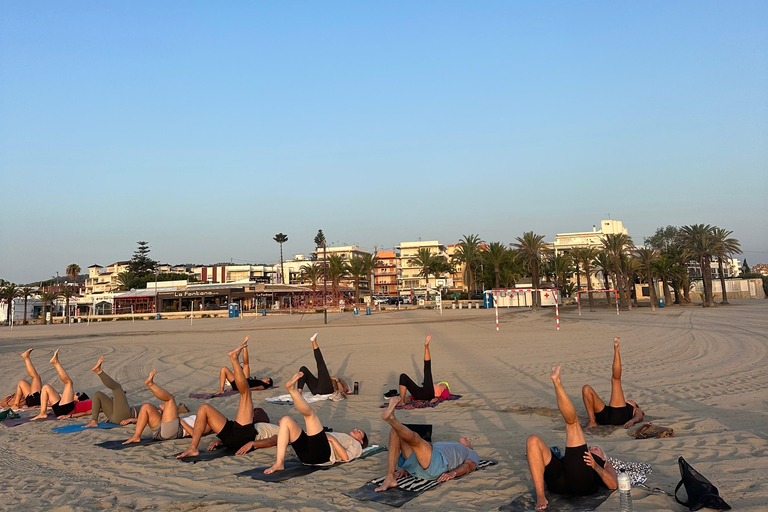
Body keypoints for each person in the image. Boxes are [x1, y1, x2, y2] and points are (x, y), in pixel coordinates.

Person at [526, 365, 618, 510]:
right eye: (592, 447)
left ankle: (557, 383)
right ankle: (540, 496)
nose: (592, 447)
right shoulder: (580, 454)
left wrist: (596, 466)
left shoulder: (605, 464)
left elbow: (613, 485)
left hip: (582, 483)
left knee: (573, 424)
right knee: (532, 440)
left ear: (603, 457)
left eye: (596, 449)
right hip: (560, 481)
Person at [264, 371, 368, 474]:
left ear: (362, 441)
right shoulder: (347, 438)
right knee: (286, 420)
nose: (356, 430)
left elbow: (346, 457)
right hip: (307, 455)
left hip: (321, 456)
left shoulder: (357, 445)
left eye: (359, 432)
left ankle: (292, 390)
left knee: (310, 416)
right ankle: (279, 462)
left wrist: (332, 439)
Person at [178, 341, 265, 458]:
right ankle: (193, 447)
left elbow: (274, 440)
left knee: (246, 394)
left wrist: (253, 443)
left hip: (242, 437)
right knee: (204, 408)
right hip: (231, 434)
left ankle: (234, 359)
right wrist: (220, 441)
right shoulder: (273, 426)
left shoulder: (279, 429)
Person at [375, 396, 478, 491]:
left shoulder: (470, 452)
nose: (465, 438)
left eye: (468, 440)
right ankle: (390, 477)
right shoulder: (452, 444)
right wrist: (406, 469)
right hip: (418, 463)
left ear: (470, 446)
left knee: (415, 439)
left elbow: (468, 466)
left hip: (437, 464)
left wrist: (453, 473)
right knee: (395, 432)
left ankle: (392, 419)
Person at [582, 337, 644, 428]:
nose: (629, 400)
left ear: (634, 405)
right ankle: (592, 421)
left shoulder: (635, 409)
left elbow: (639, 416)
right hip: (604, 416)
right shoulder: (624, 404)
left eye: (632, 401)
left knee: (616, 380)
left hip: (619, 416)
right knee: (586, 388)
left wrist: (632, 421)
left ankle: (616, 349)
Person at [121, 369, 192, 444]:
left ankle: (151, 384)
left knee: (170, 399)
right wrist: (131, 420)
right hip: (159, 431)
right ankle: (136, 436)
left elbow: (194, 434)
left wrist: (179, 420)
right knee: (146, 407)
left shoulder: (204, 424)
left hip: (172, 432)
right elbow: (143, 419)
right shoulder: (200, 418)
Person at [31, 350, 91, 420]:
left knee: (69, 383)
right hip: (61, 408)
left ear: (79, 400)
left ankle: (56, 363)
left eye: (77, 394)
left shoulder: (99, 405)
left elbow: (87, 412)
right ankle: (42, 413)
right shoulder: (90, 402)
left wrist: (70, 416)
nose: (75, 393)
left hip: (67, 410)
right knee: (46, 387)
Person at [84, 356, 137, 427]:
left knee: (117, 388)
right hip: (114, 417)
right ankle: (94, 421)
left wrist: (130, 420)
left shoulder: (155, 410)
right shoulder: (154, 408)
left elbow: (147, 418)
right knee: (98, 394)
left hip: (126, 417)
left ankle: (99, 371)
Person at [397, 335, 449, 406]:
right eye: (442, 384)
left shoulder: (445, 391)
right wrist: (409, 398)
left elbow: (443, 397)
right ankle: (402, 401)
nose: (442, 385)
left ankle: (426, 347)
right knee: (403, 376)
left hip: (429, 395)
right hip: (420, 394)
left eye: (444, 385)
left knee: (427, 369)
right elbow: (412, 396)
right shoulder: (439, 388)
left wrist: (436, 399)